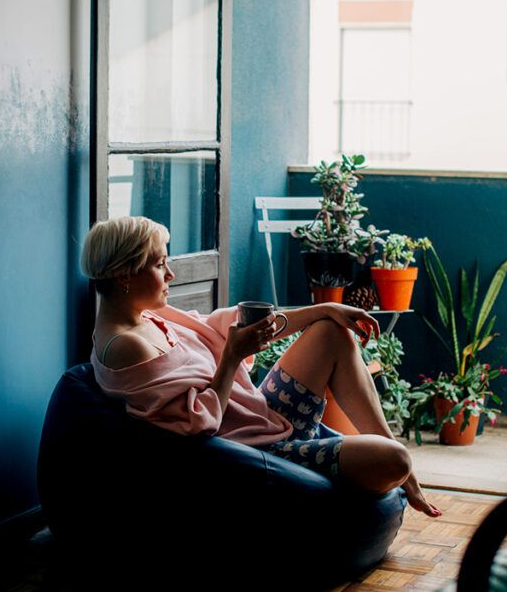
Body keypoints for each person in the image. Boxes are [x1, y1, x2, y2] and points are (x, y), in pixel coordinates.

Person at [80, 215, 442, 518]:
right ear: (125, 275)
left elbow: (221, 326)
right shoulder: (127, 347)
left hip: (262, 417)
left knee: (333, 332)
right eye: (160, 264)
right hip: (258, 454)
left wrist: (324, 309)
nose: (171, 274)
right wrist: (232, 357)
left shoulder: (147, 316)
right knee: (394, 460)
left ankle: (396, 463)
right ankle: (380, 469)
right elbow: (198, 425)